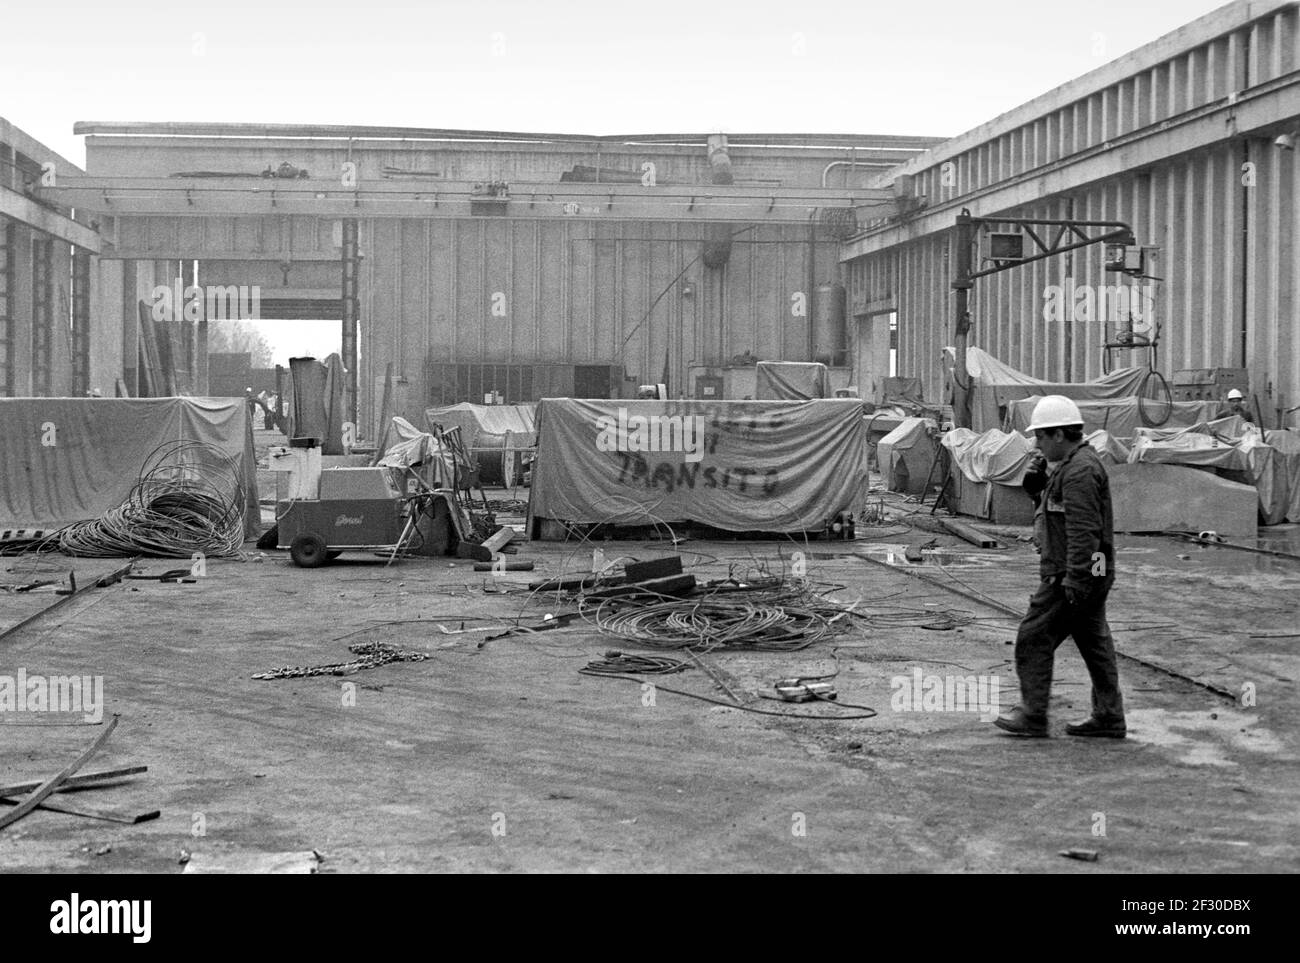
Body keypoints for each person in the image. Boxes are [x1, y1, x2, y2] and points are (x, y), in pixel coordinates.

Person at [994, 395, 1126, 739]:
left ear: (1058, 435)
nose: (1037, 443)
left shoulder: (1079, 472)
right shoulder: (1073, 465)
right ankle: (1109, 715)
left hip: (1072, 571)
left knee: (1033, 638)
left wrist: (1075, 578)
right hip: (1091, 570)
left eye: (1040, 436)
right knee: (1094, 643)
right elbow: (1058, 515)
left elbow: (1084, 532)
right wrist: (1037, 491)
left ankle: (1033, 716)